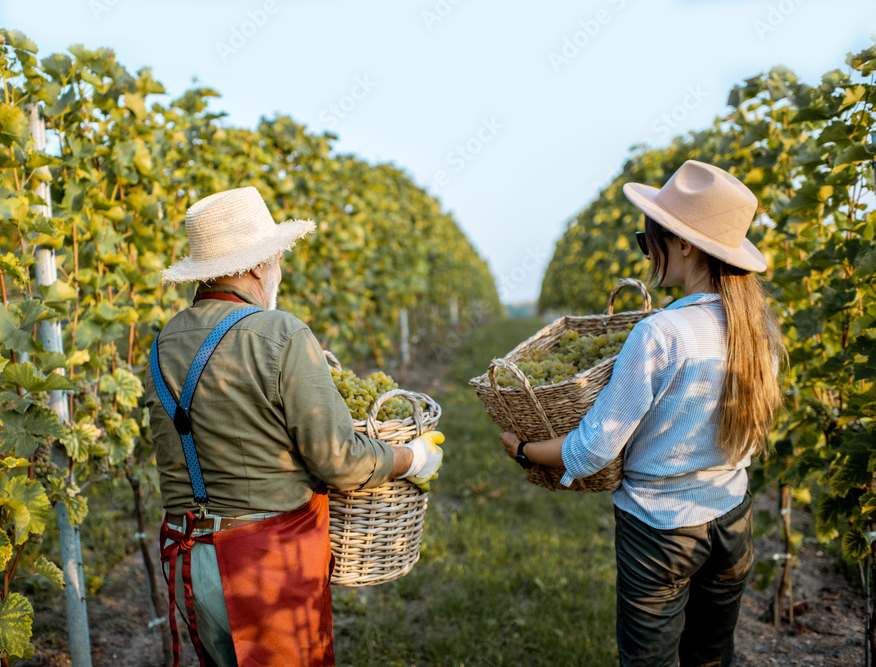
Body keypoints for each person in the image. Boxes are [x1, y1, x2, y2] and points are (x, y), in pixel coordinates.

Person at [500, 160, 785, 666]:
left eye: (647, 237)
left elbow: (590, 452)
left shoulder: (659, 334)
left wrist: (523, 450)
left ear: (683, 244)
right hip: (732, 518)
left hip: (659, 530)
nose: (645, 249)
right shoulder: (755, 327)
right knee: (712, 657)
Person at [145, 186, 444, 667]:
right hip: (262, 569)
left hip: (186, 560)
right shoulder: (279, 333)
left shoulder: (163, 343)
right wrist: (414, 457)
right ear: (257, 266)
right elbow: (339, 460)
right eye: (275, 257)